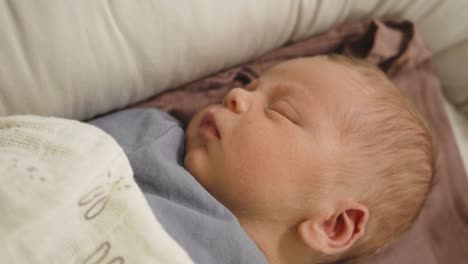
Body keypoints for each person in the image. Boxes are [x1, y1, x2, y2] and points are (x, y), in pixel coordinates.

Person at [183, 55, 434, 263]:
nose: (236, 93)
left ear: (333, 225)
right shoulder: (158, 135)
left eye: (280, 111)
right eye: (251, 87)